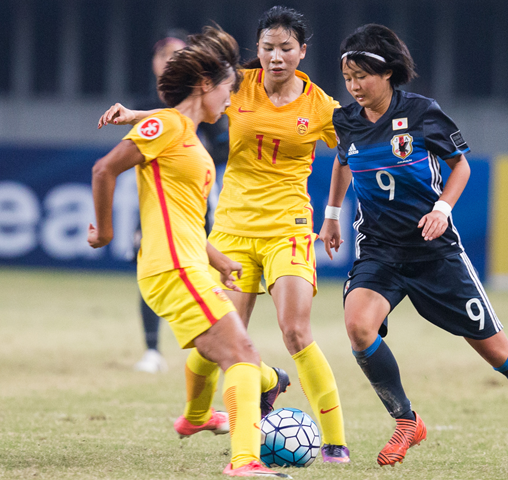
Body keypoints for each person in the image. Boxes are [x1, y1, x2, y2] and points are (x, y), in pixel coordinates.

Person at [319, 23, 508, 474]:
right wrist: (332, 215)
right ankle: (406, 420)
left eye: (362, 76)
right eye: (348, 76)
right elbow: (341, 159)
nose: (353, 86)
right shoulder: (345, 120)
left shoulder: (422, 112)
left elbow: (461, 167)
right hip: (379, 251)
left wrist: (443, 208)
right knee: (358, 326)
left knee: (499, 353)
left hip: (434, 254)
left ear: (388, 73)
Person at [98, 6, 350, 464]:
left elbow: (351, 151)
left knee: (295, 330)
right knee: (214, 334)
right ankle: (203, 414)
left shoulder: (320, 106)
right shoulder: (239, 87)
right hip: (232, 228)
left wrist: (332, 212)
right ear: (258, 50)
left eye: (286, 48)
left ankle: (335, 442)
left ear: (302, 52)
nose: (276, 56)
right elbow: (184, 113)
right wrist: (137, 114)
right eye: (268, 47)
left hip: (289, 226)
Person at [90, 24, 291, 478]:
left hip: (187, 263)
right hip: (172, 269)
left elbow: (180, 219)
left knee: (227, 349)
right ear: (205, 85)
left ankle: (199, 416)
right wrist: (104, 233)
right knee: (240, 354)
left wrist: (216, 258)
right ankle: (244, 462)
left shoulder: (190, 137)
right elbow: (105, 169)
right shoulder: (170, 125)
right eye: (227, 88)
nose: (230, 98)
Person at [132, 32, 187, 374]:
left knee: (206, 279)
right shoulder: (145, 104)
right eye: (164, 54)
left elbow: (223, 149)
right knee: (151, 275)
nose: (169, 60)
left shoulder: (203, 102)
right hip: (156, 208)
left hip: (198, 208)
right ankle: (152, 349)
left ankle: (212, 346)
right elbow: (114, 166)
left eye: (178, 54)